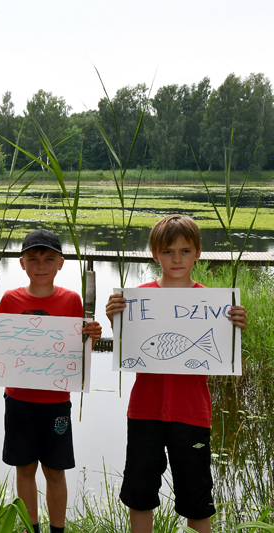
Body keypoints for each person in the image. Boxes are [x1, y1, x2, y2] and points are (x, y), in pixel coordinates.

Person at [105, 214, 247, 533]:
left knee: (196, 500)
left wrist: (235, 325)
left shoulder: (216, 304)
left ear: (197, 253)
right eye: (168, 251)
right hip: (144, 412)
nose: (177, 258)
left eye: (185, 251)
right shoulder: (136, 298)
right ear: (155, 254)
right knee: (140, 496)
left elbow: (225, 353)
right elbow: (130, 348)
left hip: (192, 414)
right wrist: (115, 318)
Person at [0, 229, 102, 533]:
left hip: (56, 402)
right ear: (22, 263)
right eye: (33, 259)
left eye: (48, 258)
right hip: (18, 399)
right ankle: (30, 527)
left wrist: (92, 338)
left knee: (55, 471)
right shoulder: (10, 298)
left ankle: (57, 529)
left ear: (61, 263)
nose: (41, 265)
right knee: (25, 469)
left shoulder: (72, 300)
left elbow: (78, 352)